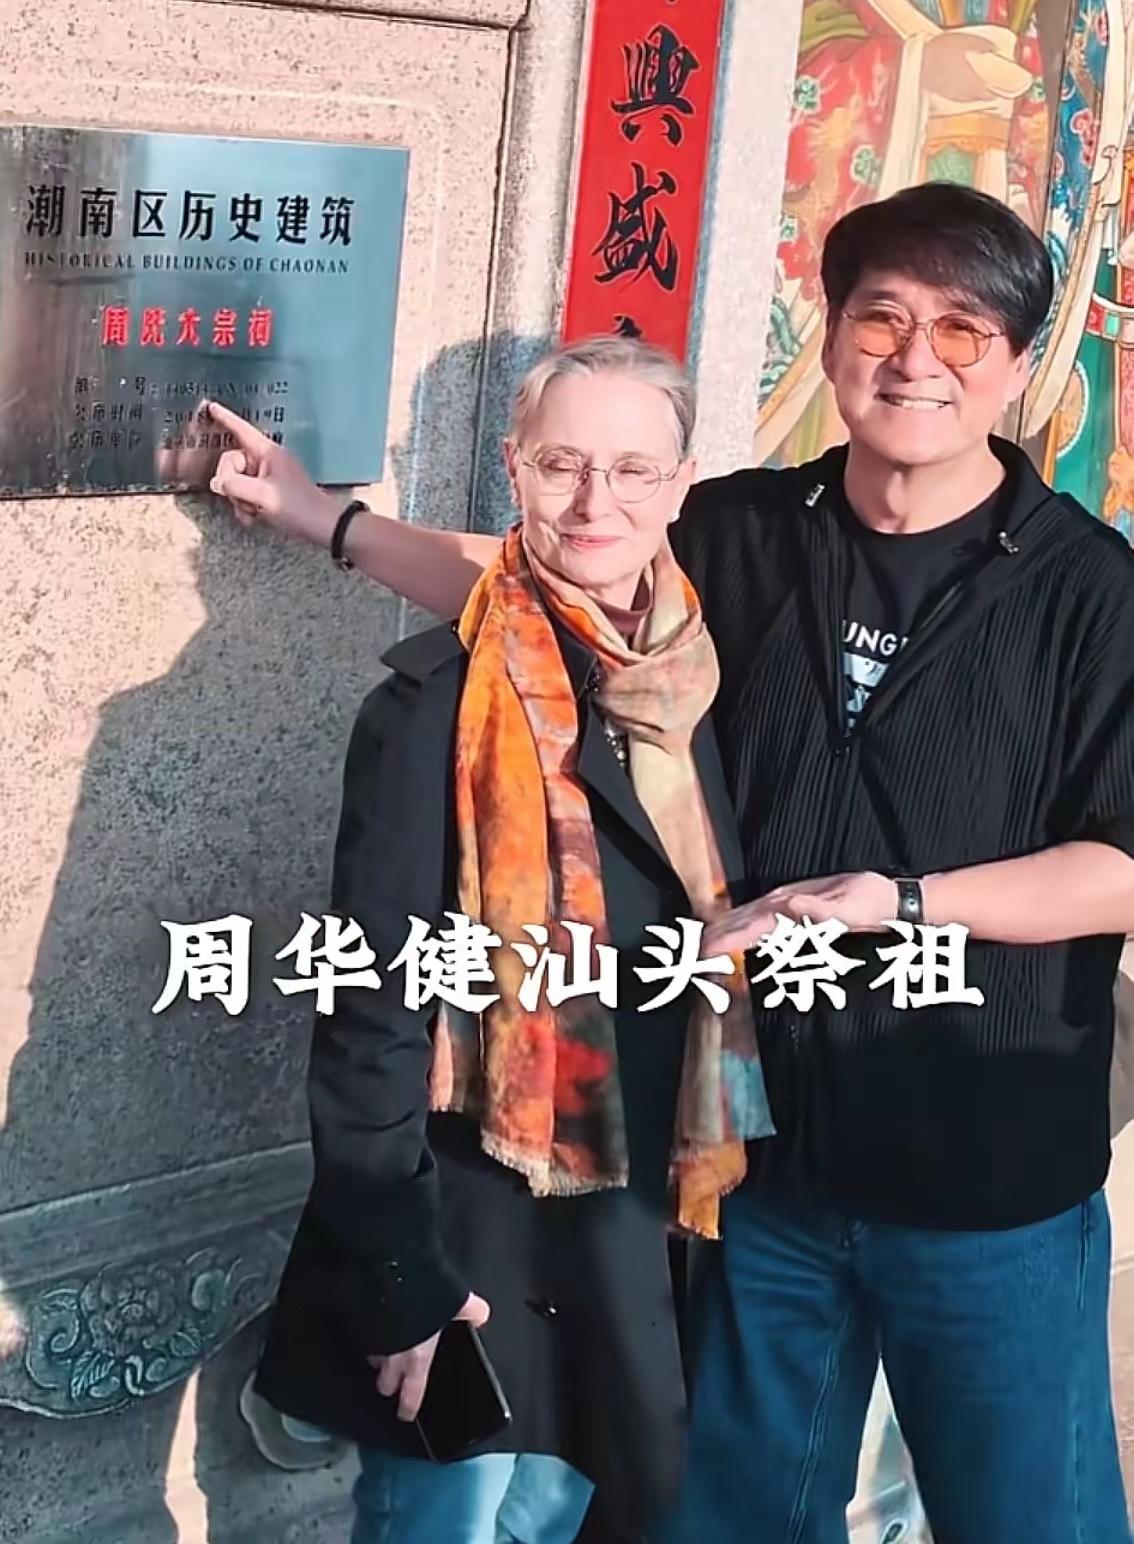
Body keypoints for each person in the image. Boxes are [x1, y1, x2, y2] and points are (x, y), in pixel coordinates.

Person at [211, 182, 1134, 1542]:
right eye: (881, 320)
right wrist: (327, 520)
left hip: (982, 1176)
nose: (914, 362)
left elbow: (1120, 861)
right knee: (739, 1517)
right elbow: (552, 581)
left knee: (1027, 1517)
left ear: (1015, 364)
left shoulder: (1091, 591)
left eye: (960, 331)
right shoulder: (752, 531)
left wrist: (903, 901)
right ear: (829, 334)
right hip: (758, 1177)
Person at [247, 335, 772, 1544]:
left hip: (634, 1238)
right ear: (512, 467)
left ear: (682, 486)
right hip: (473, 1242)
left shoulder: (698, 682)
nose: (596, 501)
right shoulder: (435, 704)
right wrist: (400, 1274)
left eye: (633, 470)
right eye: (562, 463)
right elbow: (371, 1009)